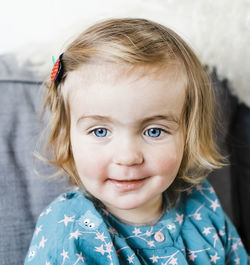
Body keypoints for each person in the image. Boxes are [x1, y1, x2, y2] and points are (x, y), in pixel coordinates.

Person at [24, 18, 249, 264]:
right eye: (100, 131)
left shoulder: (202, 205)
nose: (128, 156)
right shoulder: (67, 228)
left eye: (154, 131)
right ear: (68, 139)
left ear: (188, 134)